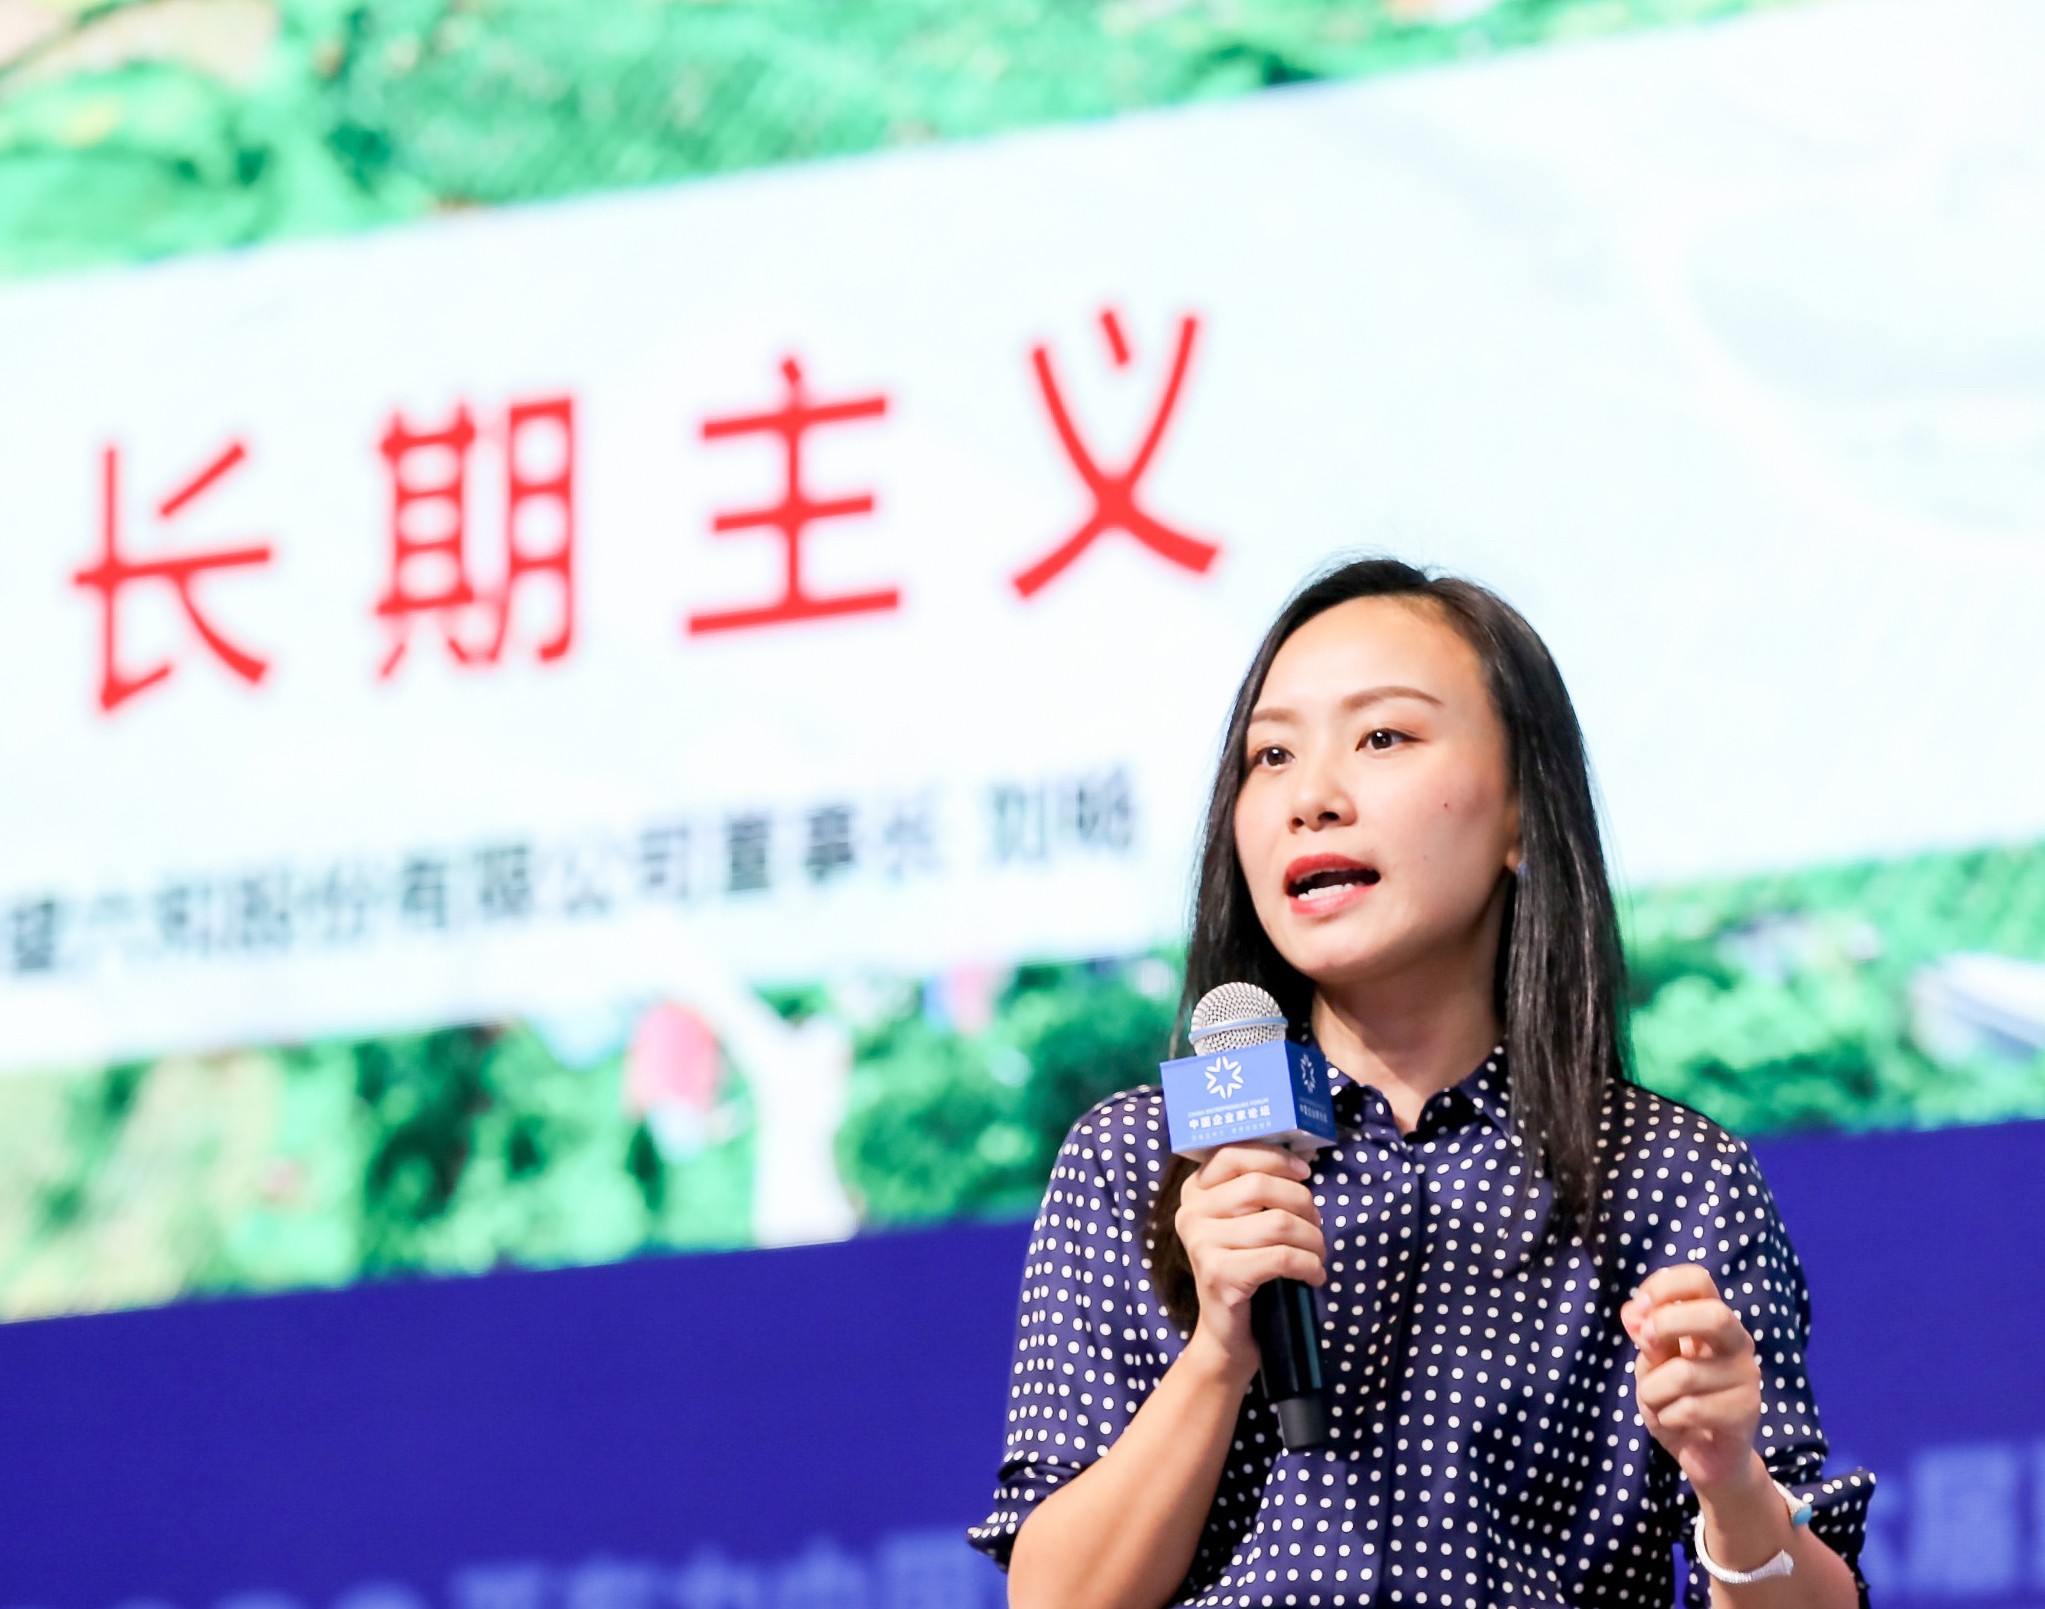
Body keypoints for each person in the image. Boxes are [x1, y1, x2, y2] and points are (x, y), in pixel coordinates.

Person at [968, 559, 1873, 1609]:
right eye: (1270, 754)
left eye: (1382, 737)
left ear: (1520, 814)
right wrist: (1218, 1348)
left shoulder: (1665, 1176)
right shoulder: (1140, 1158)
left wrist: (1730, 1483)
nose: (1311, 798)